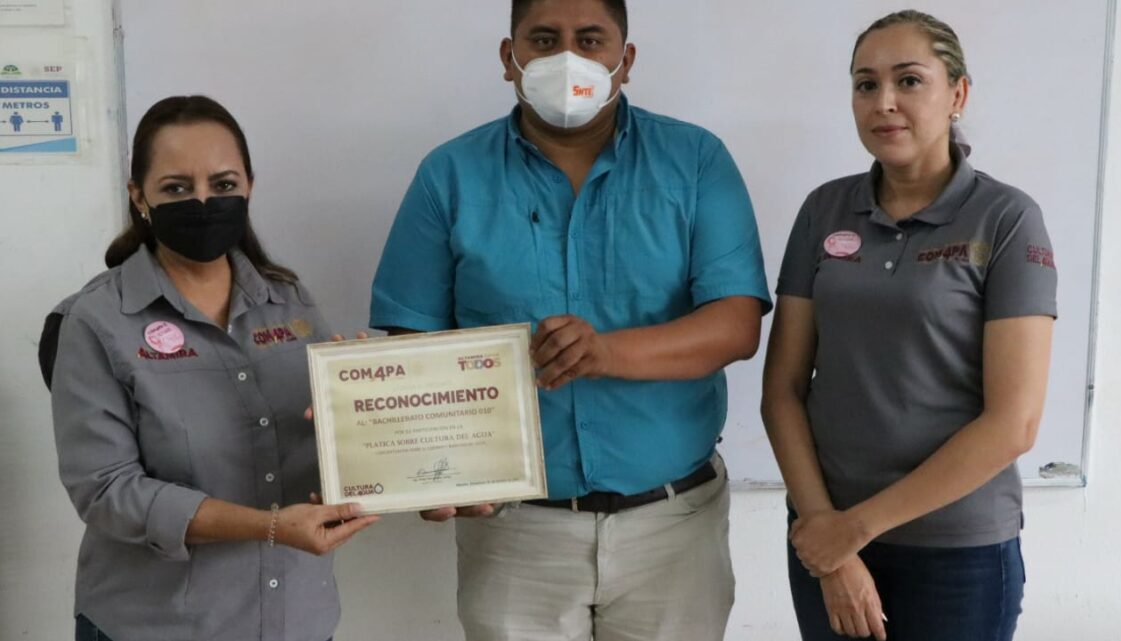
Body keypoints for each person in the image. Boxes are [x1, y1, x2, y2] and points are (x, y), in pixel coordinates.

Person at [369, 1, 771, 639]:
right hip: (514, 530)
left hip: (674, 527)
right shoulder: (448, 175)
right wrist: (419, 459)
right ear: (510, 58)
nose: (567, 59)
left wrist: (606, 353)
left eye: (590, 40)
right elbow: (412, 341)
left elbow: (735, 325)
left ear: (625, 60)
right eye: (544, 39)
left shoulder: (695, 162)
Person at [761, 10, 1056, 641]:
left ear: (958, 93)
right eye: (865, 84)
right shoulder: (824, 210)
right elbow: (783, 388)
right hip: (826, 539)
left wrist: (855, 528)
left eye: (909, 80)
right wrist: (827, 533)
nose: (884, 102)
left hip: (957, 553)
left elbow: (1015, 423)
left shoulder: (1006, 219)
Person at [50, 95, 378, 641]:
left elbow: (329, 447)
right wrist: (268, 527)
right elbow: (106, 491)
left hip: (296, 619)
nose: (203, 201)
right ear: (139, 197)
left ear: (249, 185)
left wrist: (369, 410)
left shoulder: (290, 302)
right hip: (156, 626)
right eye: (177, 188)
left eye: (223, 184)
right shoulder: (95, 320)